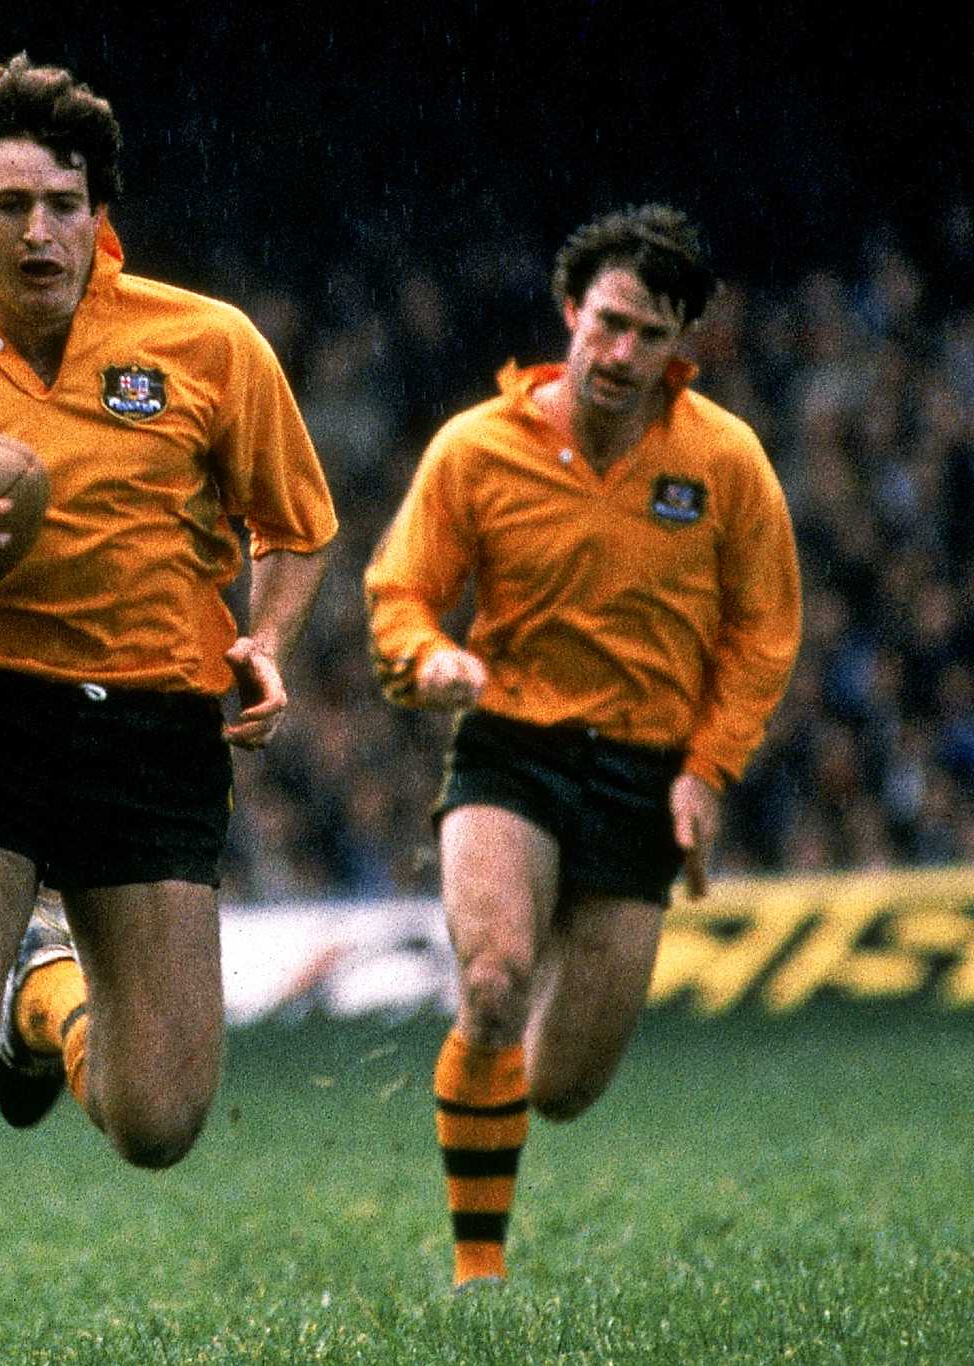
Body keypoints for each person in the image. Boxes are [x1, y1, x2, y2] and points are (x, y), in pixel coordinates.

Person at [0, 55, 338, 1364]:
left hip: (154, 731)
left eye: (68, 202)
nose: (44, 230)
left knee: (156, 1122)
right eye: (14, 203)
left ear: (102, 211)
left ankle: (50, 999)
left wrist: (264, 638)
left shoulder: (206, 343)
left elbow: (297, 526)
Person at [364, 204, 801, 1288]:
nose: (618, 353)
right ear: (568, 312)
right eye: (604, 322)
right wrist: (426, 661)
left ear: (679, 346)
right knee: (497, 979)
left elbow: (762, 629)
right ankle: (478, 1271)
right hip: (508, 745)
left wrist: (706, 770)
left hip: (642, 774)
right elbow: (399, 592)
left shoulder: (724, 461)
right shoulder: (475, 448)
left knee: (559, 1083)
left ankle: (500, 1117)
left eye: (647, 334)